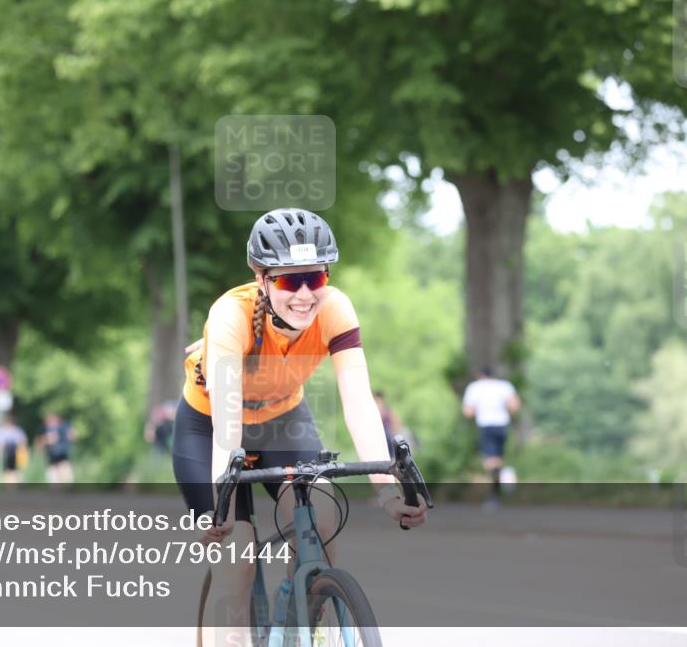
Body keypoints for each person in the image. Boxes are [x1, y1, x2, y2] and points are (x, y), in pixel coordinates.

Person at [173, 208, 428, 647]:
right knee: (236, 555)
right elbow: (227, 426)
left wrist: (386, 490)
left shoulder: (336, 309)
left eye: (317, 277)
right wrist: (221, 499)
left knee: (323, 518)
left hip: (282, 422)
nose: (306, 294)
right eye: (291, 281)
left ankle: (303, 622)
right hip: (210, 427)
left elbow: (360, 405)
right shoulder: (229, 316)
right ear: (262, 277)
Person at [462, 365, 521, 509]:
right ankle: (501, 482)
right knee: (497, 459)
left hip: (486, 425)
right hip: (502, 425)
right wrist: (506, 414)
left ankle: (497, 490)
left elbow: (468, 412)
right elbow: (515, 405)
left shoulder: (475, 387)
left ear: (480, 376)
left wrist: (480, 411)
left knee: (490, 463)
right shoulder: (504, 386)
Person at [373, 390, 416, 458]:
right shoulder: (376, 410)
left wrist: (394, 433)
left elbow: (397, 423)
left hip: (390, 436)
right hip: (383, 437)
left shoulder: (387, 409)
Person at [0, 414, 28, 484]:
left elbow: (23, 441)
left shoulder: (17, 430)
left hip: (17, 451)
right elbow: (0, 443)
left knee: (17, 468)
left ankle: (17, 482)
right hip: (8, 451)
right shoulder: (2, 431)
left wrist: (22, 448)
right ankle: (11, 484)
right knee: (10, 469)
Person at [40, 412, 74, 484]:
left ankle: (69, 491)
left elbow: (72, 436)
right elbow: (39, 442)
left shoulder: (64, 426)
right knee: (53, 476)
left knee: (66, 474)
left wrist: (71, 436)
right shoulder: (45, 428)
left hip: (62, 454)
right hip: (52, 456)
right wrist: (47, 440)